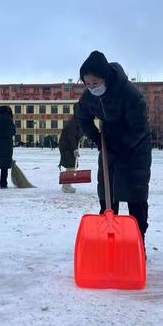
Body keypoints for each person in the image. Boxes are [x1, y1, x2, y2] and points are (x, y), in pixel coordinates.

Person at [76, 50, 151, 246]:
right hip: (108, 144)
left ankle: (137, 242)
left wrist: (123, 146)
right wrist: (96, 137)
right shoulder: (89, 97)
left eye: (96, 83)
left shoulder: (130, 95)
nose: (92, 87)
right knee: (107, 196)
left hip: (136, 148)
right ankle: (109, 242)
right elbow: (82, 117)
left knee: (136, 196)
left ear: (106, 78)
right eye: (88, 84)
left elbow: (139, 128)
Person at [58, 109, 83, 193]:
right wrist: (75, 149)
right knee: (71, 166)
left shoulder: (77, 124)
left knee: (72, 166)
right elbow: (71, 138)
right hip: (67, 148)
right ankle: (65, 186)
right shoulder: (72, 124)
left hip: (70, 147)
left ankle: (67, 185)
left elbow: (78, 134)